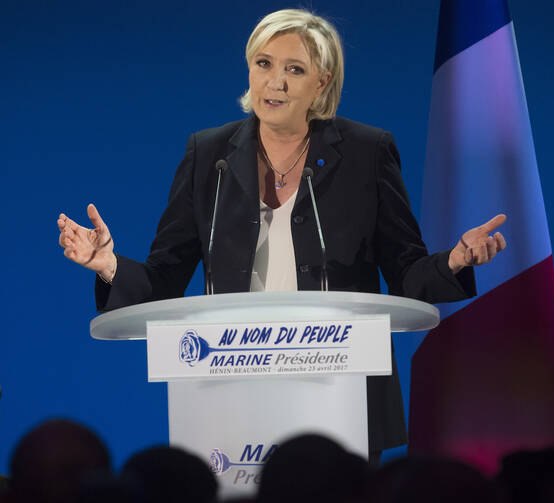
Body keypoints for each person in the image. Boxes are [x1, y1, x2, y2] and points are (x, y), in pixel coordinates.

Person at [57, 9, 506, 462]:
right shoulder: (208, 154)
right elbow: (165, 279)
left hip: (339, 384)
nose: (275, 82)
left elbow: (406, 274)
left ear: (322, 83)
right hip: (231, 386)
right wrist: (108, 265)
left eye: (295, 69)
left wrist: (455, 261)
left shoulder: (367, 152)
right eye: (264, 64)